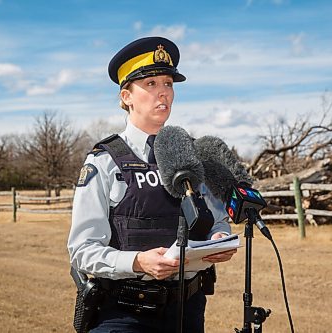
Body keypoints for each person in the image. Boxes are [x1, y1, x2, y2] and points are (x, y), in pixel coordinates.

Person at [67, 36, 236, 333]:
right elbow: (83, 251)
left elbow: (217, 220)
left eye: (168, 84)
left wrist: (220, 236)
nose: (164, 94)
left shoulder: (190, 158)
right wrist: (138, 262)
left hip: (188, 312)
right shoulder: (104, 162)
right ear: (126, 97)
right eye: (151, 84)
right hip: (123, 314)